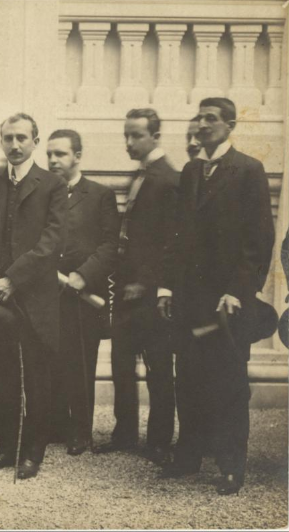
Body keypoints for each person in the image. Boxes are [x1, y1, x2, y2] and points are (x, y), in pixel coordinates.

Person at [159, 97, 274, 496]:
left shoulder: (248, 170)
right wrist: (167, 286)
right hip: (190, 298)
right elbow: (176, 234)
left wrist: (238, 291)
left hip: (227, 301)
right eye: (200, 118)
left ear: (230, 125)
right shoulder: (192, 170)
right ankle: (188, 456)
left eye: (211, 119)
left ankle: (230, 465)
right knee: (188, 377)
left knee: (228, 382)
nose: (203, 125)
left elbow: (258, 239)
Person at [0, 113, 66, 479]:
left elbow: (51, 242)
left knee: (37, 378)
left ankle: (33, 453)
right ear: (1, 141)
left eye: (22, 138)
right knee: (5, 376)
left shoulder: (52, 184)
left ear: (35, 142)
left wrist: (12, 279)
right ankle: (7, 449)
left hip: (35, 297)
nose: (15, 144)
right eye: (8, 138)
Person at [95, 108, 178, 466]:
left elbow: (171, 241)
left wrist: (146, 282)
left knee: (158, 368)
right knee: (121, 365)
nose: (128, 142)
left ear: (155, 137)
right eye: (126, 135)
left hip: (151, 295)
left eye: (136, 135)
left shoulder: (169, 179)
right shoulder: (139, 175)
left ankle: (159, 441)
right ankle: (125, 433)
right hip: (126, 290)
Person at [47, 129, 119, 455]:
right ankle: (57, 425)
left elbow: (109, 245)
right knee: (53, 359)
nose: (53, 160)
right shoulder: (44, 194)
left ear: (77, 156)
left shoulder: (100, 195)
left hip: (84, 295)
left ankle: (80, 431)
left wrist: (82, 275)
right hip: (50, 293)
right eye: (49, 154)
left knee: (80, 362)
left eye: (60, 154)